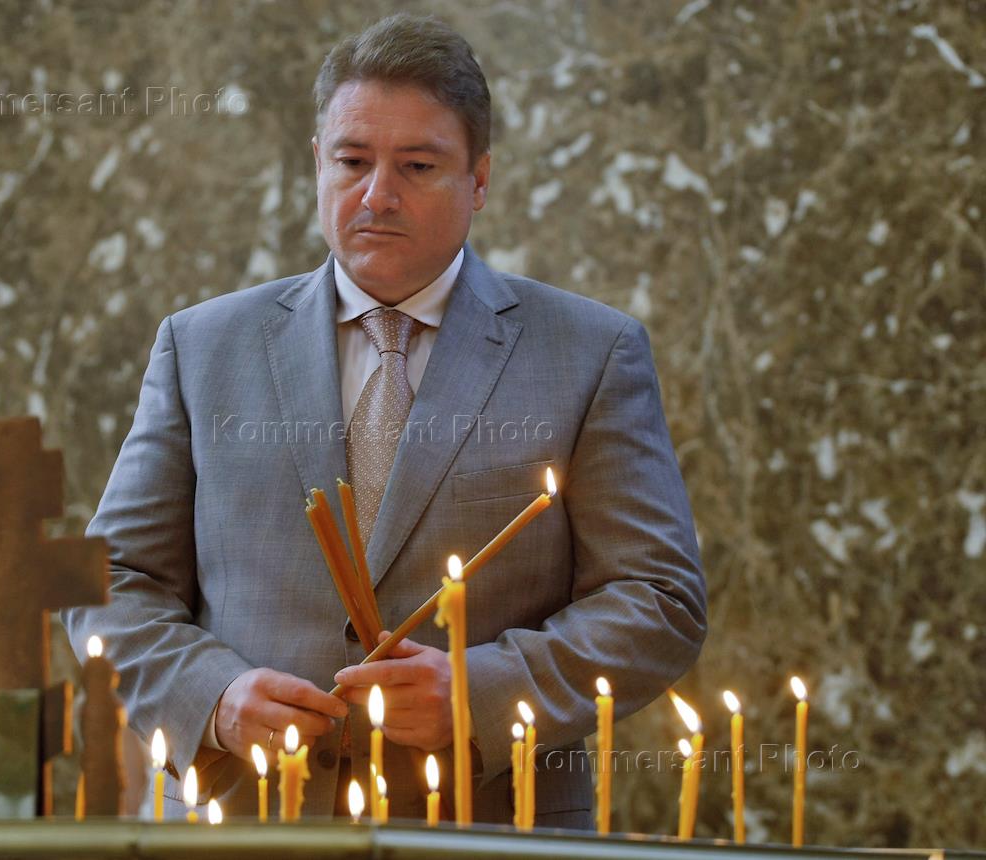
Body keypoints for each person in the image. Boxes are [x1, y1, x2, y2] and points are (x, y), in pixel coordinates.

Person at [64, 14, 705, 827]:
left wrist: (480, 692)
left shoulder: (590, 353)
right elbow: (109, 583)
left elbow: (657, 599)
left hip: (489, 825)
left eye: (418, 166)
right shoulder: (202, 346)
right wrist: (214, 698)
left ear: (479, 180)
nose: (377, 195)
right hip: (246, 821)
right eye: (353, 161)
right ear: (317, 164)